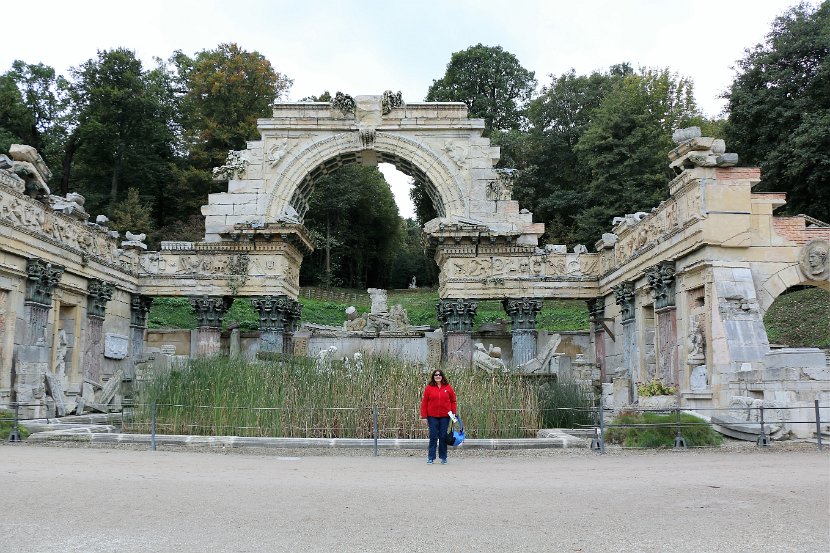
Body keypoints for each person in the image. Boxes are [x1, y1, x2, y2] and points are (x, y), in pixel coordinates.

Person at [420, 369, 457, 465]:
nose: (438, 376)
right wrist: (424, 417)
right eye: (436, 375)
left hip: (445, 416)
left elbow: (453, 401)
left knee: (443, 436)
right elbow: (424, 403)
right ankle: (431, 457)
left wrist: (453, 413)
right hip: (432, 416)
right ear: (433, 376)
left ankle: (443, 457)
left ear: (442, 376)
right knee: (433, 436)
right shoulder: (429, 388)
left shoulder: (447, 387)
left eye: (439, 375)